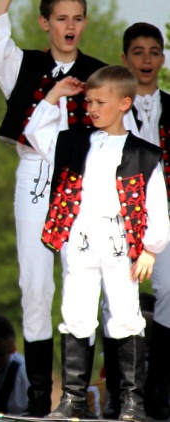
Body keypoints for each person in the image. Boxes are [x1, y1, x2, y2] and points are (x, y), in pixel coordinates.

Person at [0, 0, 106, 415]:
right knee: (34, 283)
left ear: (84, 23)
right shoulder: (24, 66)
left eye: (77, 18)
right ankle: (37, 394)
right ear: (44, 22)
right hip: (34, 173)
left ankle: (73, 393)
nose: (70, 27)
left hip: (82, 177)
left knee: (79, 278)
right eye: (61, 18)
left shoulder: (99, 74)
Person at [25, 65, 169, 422]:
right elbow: (35, 133)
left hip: (120, 238)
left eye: (99, 102)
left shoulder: (144, 153)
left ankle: (131, 401)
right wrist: (55, 95)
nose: (91, 108)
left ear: (124, 103)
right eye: (88, 102)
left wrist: (151, 248)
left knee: (125, 314)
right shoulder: (73, 142)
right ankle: (73, 398)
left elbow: (155, 202)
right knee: (75, 312)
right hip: (80, 236)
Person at [119, 23, 170, 420]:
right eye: (138, 52)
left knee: (168, 294)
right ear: (125, 60)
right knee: (119, 300)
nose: (147, 60)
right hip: (123, 215)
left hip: (166, 216)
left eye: (154, 52)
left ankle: (157, 389)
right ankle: (123, 394)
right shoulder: (114, 108)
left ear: (162, 59)